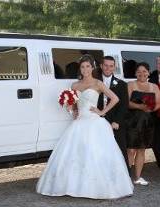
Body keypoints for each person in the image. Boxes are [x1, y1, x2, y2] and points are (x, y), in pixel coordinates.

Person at [36, 55, 133, 199]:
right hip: (80, 123)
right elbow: (74, 107)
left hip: (94, 122)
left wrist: (102, 112)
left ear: (92, 68)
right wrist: (71, 109)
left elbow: (115, 98)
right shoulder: (75, 85)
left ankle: (98, 187)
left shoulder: (98, 83)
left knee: (96, 153)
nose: (85, 69)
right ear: (79, 69)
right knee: (76, 153)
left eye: (88, 66)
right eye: (82, 67)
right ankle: (74, 186)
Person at [126, 62, 160, 185]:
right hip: (132, 122)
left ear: (148, 72)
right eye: (139, 71)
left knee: (141, 150)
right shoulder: (130, 84)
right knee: (130, 150)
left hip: (147, 122)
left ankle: (137, 177)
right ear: (135, 73)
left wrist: (150, 109)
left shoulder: (154, 86)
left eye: (144, 71)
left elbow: (158, 103)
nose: (142, 73)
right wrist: (140, 106)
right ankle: (126, 177)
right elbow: (127, 103)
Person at [97, 56, 129, 168]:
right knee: (100, 150)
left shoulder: (121, 84)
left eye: (111, 66)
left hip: (115, 123)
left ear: (114, 67)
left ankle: (125, 177)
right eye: (105, 65)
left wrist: (117, 121)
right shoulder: (94, 82)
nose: (108, 68)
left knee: (120, 150)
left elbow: (124, 105)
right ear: (101, 66)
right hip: (97, 122)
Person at [149, 56, 160, 167]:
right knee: (156, 144)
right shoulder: (152, 77)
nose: (159, 64)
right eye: (157, 62)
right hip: (155, 116)